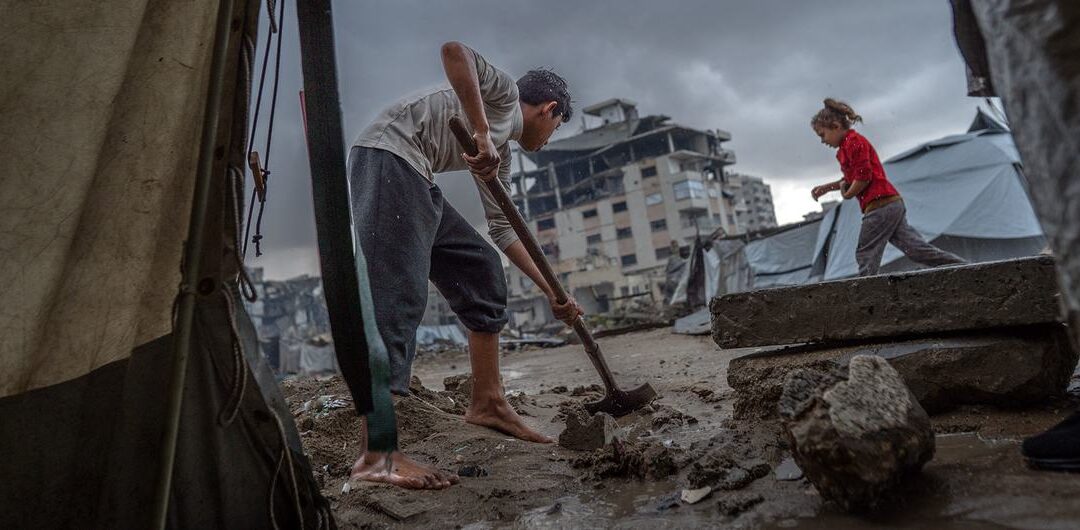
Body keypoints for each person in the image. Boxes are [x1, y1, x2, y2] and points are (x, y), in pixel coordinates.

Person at [345, 42, 583, 489]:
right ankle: (377, 455)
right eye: (556, 128)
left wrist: (554, 292)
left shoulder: (501, 156)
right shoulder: (504, 95)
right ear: (549, 109)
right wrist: (481, 132)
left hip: (418, 175)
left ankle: (488, 402)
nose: (549, 139)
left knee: (481, 270)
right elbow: (455, 52)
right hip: (386, 156)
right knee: (397, 297)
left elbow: (505, 230)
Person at [809, 98, 966, 276]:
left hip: (880, 206)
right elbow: (850, 179)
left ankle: (867, 288)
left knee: (866, 252)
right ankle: (964, 267)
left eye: (822, 135)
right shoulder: (845, 148)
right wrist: (827, 188)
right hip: (891, 203)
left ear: (836, 126)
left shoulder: (854, 142)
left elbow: (863, 178)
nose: (822, 141)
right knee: (916, 249)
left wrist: (847, 194)